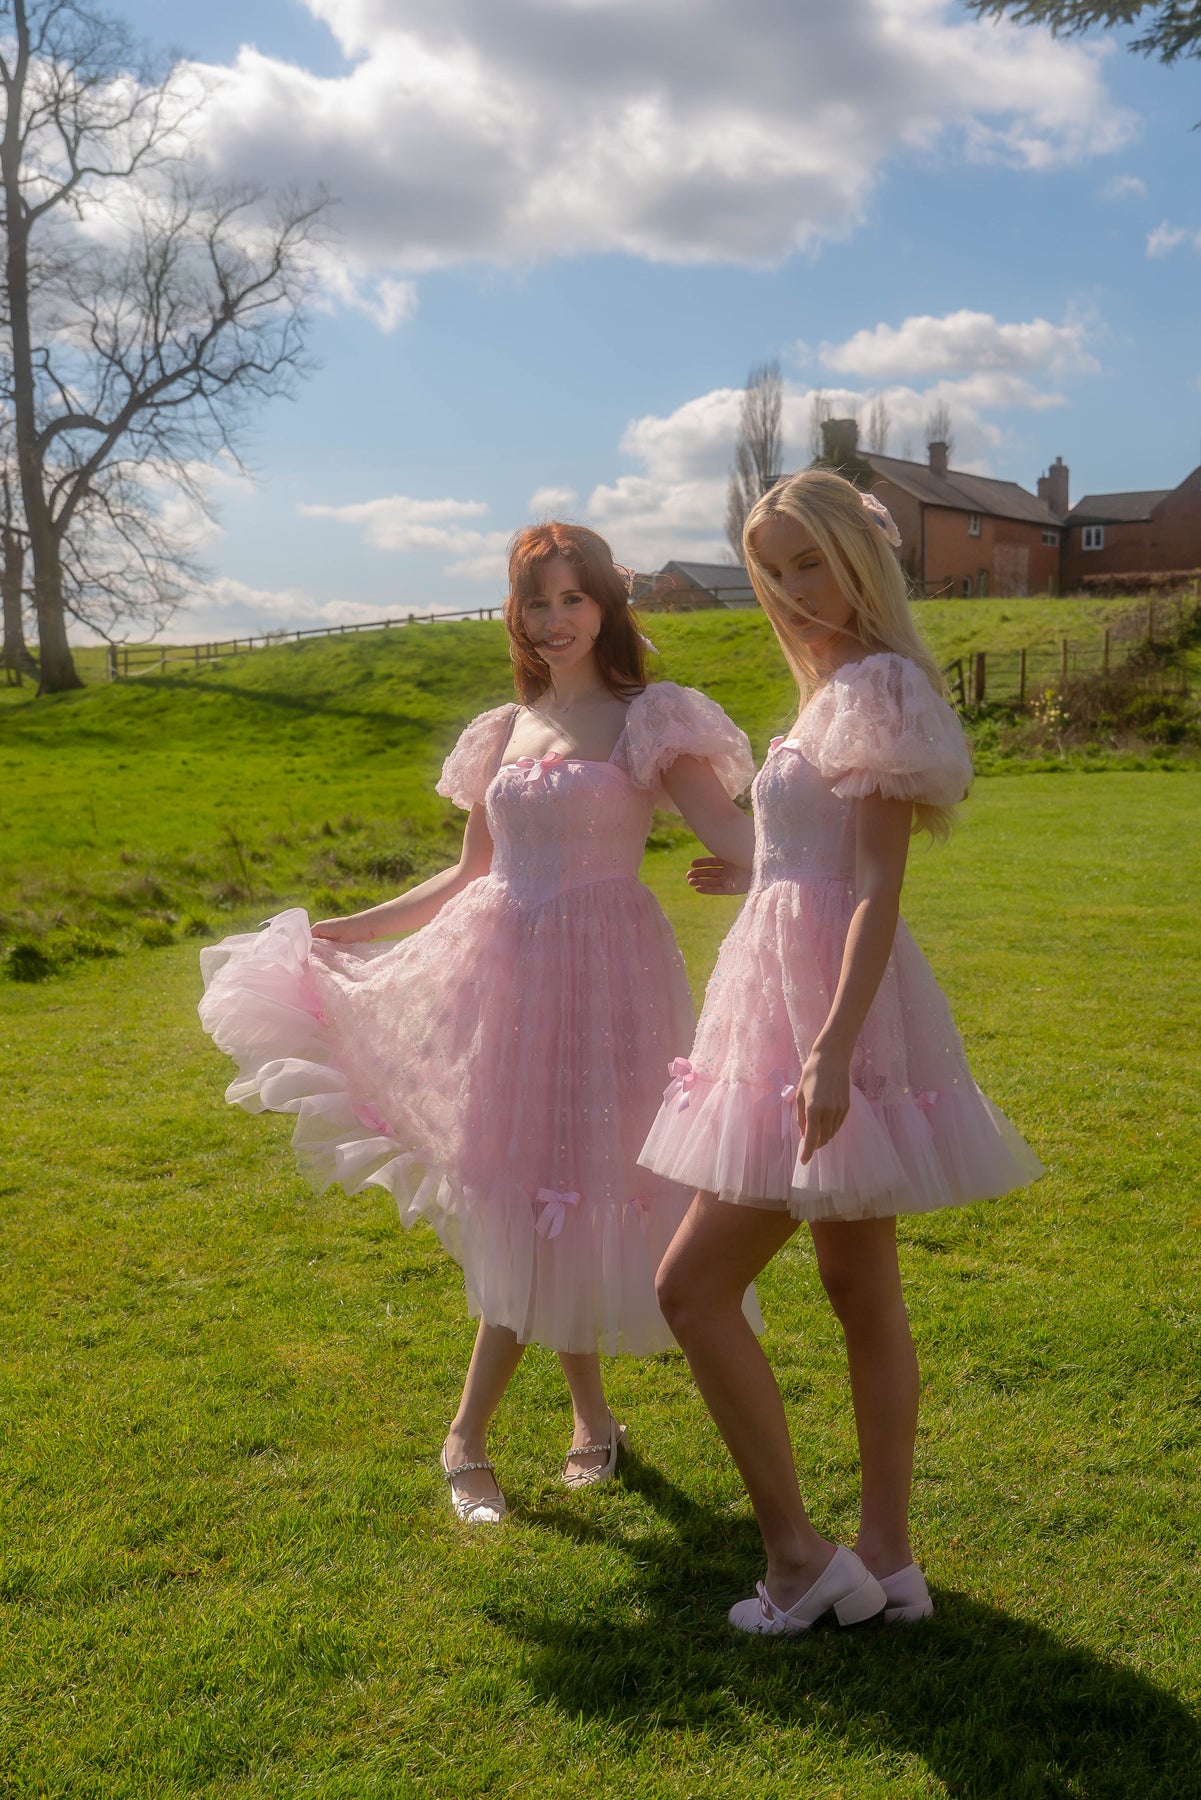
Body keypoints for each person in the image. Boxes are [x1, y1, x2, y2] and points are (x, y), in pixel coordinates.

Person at [199, 522, 756, 1526]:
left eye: (572, 598)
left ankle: (551, 1425)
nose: (554, 620)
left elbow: (730, 831)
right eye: (536, 601)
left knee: (575, 1182)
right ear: (516, 612)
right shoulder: (504, 728)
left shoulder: (652, 718)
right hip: (507, 977)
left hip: (611, 981)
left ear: (607, 605)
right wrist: (348, 930)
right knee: (527, 1184)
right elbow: (468, 873)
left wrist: (807, 850)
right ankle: (499, 1431)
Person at [640, 469, 1043, 1634]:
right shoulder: (829, 691)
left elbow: (876, 887)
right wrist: (759, 873)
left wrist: (826, 1052)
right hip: (789, 995)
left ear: (858, 558)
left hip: (822, 1020)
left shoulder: (874, 686)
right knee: (858, 1286)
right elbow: (818, 859)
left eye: (807, 561)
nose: (790, 589)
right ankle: (889, 1561)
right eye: (771, 570)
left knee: (690, 1286)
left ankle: (799, 1562)